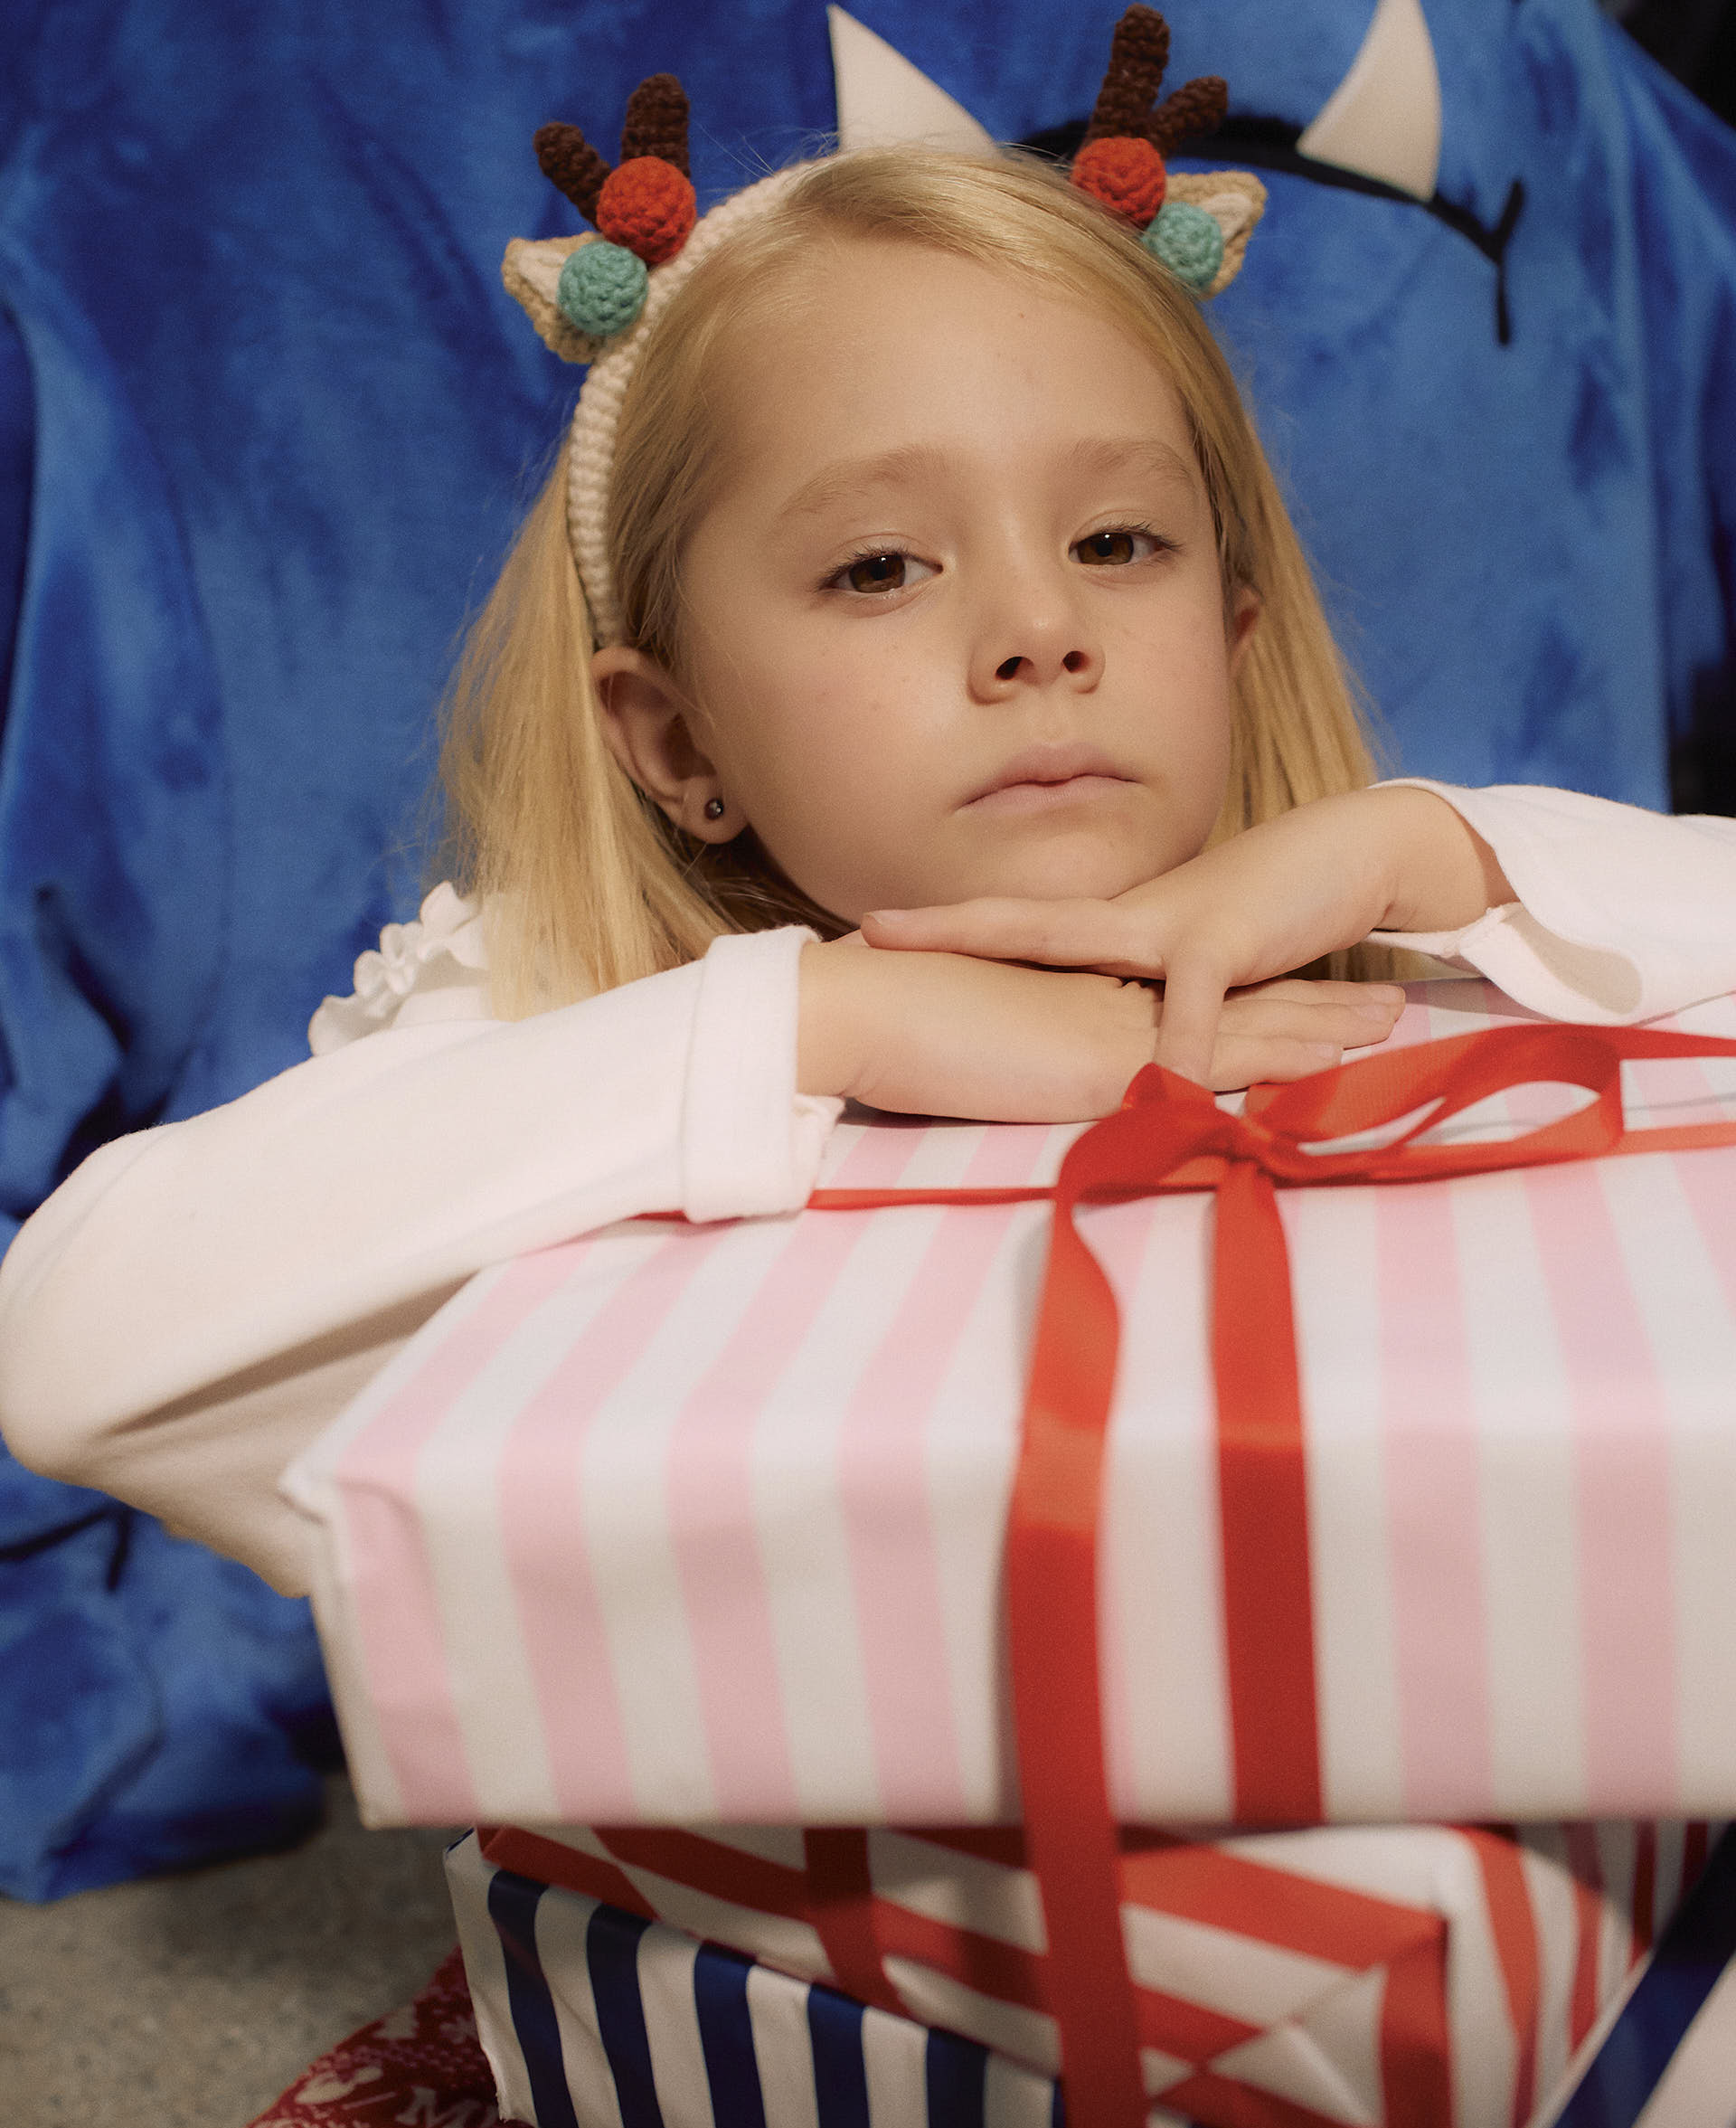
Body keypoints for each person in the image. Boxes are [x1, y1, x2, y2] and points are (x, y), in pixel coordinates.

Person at [3, 115, 1735, 1602]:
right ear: (679, 742)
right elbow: (68, 1352)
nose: (1040, 628)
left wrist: (1428, 851)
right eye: (880, 568)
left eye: (1117, 540)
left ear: (1233, 634)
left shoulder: (1396, 963)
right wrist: (825, 1027)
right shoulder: (579, 1064)